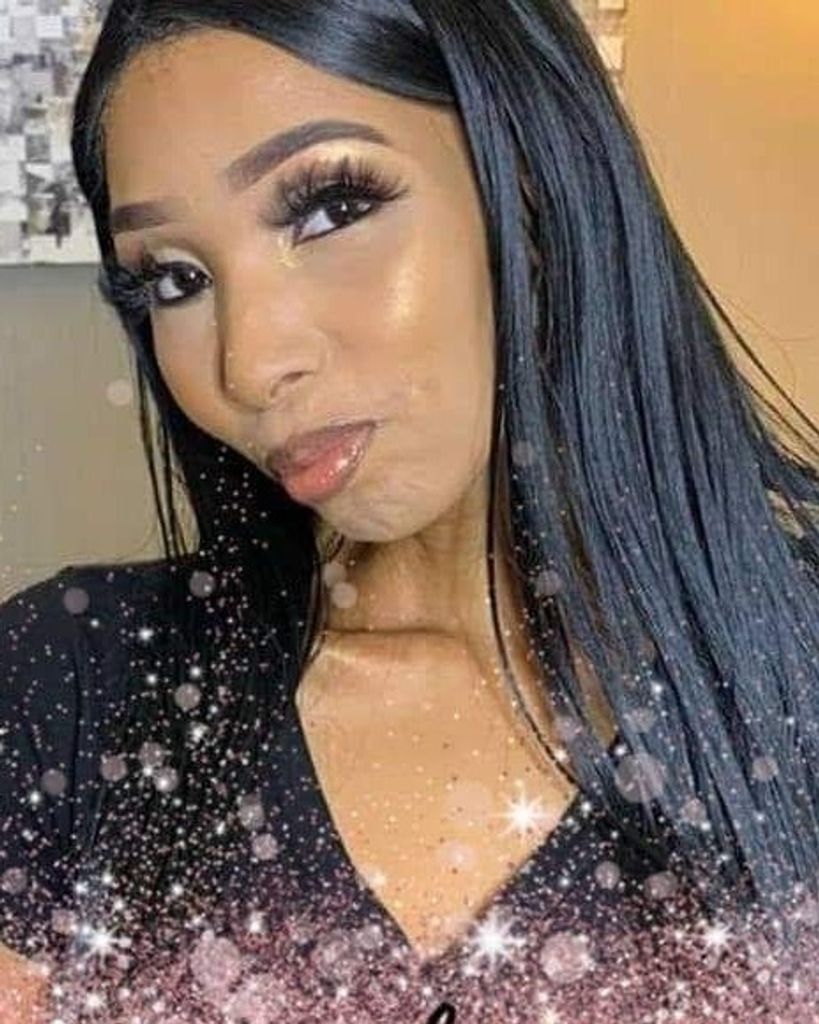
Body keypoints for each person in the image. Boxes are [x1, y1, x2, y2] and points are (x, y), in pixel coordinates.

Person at [2, 1, 818, 1020]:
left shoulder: (794, 668)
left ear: (530, 185)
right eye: (176, 278)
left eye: (329, 210)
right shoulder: (71, 686)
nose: (249, 364)